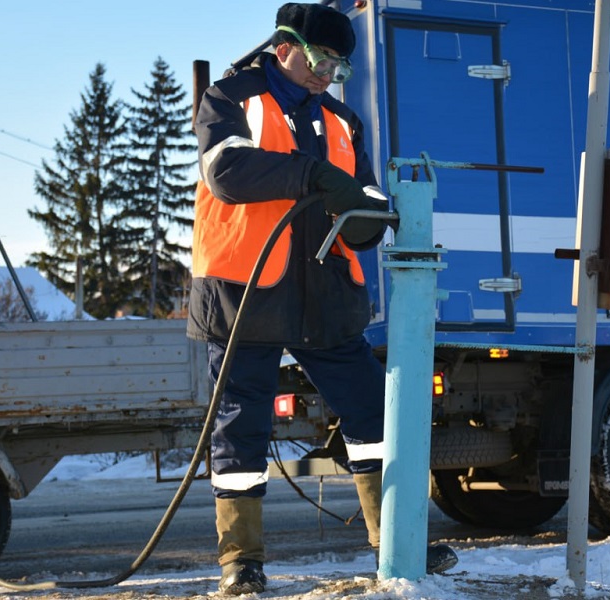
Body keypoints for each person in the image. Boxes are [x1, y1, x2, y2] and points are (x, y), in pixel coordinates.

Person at [188, 3, 458, 595]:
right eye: (319, 59)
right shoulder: (230, 99)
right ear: (285, 46)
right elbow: (226, 172)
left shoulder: (342, 120)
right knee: (241, 428)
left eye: (337, 64)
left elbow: (359, 191)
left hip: (324, 291)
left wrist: (367, 216)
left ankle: (395, 539)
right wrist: (310, 176)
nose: (326, 73)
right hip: (244, 291)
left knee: (370, 415)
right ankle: (241, 563)